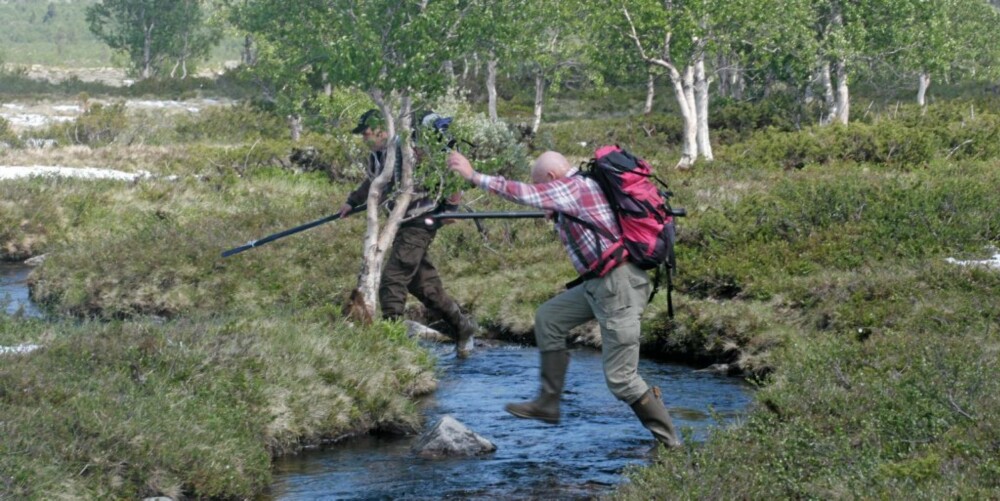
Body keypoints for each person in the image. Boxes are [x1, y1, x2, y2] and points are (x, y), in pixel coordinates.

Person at [446, 149, 680, 450]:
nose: (544, 191)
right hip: (600, 284)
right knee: (549, 318)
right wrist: (556, 213)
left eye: (543, 185)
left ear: (551, 177)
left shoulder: (573, 186)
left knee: (622, 379)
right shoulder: (579, 187)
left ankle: (672, 444)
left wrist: (473, 176)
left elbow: (524, 193)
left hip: (618, 285)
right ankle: (548, 402)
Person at [338, 109, 476, 356]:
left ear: (382, 129)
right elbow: (373, 182)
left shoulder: (413, 149)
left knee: (393, 277)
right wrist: (352, 202)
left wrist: (452, 207)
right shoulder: (377, 156)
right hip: (398, 223)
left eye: (367, 133)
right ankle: (462, 328)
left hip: (422, 220)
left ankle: (391, 343)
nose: (364, 139)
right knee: (422, 284)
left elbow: (453, 169)